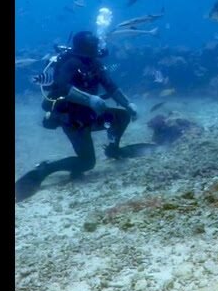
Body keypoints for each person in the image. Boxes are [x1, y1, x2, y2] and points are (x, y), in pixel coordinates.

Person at [15, 31, 156, 203]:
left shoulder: (95, 63)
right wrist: (89, 99)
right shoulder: (71, 63)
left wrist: (128, 104)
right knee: (87, 163)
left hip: (91, 115)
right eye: (95, 45)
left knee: (122, 117)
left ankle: (113, 150)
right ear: (88, 47)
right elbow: (62, 87)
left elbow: (110, 86)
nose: (99, 48)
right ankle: (46, 168)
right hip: (71, 119)